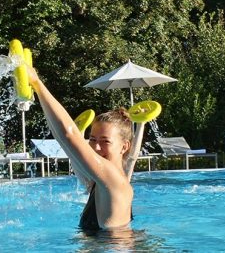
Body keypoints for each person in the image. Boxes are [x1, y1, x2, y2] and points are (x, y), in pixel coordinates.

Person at [26, 66, 145, 231]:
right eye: (92, 139)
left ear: (124, 147)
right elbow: (64, 141)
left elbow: (69, 136)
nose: (96, 147)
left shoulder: (114, 181)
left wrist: (37, 84)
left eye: (105, 141)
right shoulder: (99, 183)